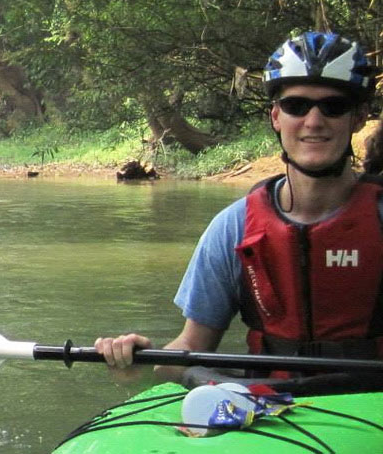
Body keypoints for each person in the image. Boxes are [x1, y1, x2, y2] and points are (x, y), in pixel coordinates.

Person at [95, 32, 379, 383]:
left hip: (369, 406)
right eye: (296, 106)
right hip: (269, 410)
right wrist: (137, 357)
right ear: (276, 116)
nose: (314, 120)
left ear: (359, 118)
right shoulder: (234, 228)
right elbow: (191, 347)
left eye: (333, 106)